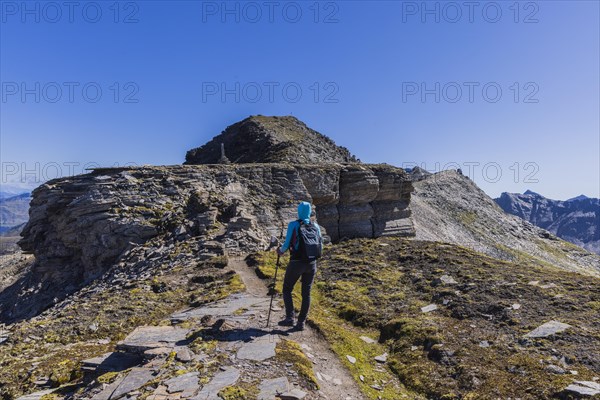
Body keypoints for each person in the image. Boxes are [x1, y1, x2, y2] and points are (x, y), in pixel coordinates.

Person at [276, 201, 323, 331]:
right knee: (306, 294)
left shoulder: (294, 225)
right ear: (309, 212)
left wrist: (280, 251)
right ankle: (301, 322)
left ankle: (290, 318)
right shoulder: (316, 226)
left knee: (287, 289)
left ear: (299, 211)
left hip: (296, 262)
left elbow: (286, 245)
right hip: (312, 263)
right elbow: (321, 246)